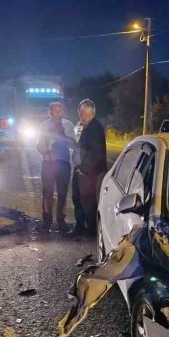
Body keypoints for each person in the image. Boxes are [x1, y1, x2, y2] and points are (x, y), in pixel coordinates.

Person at [36, 101, 75, 232]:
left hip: (63, 163)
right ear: (50, 112)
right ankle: (47, 221)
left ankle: (61, 220)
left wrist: (63, 137)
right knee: (47, 193)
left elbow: (73, 143)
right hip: (48, 163)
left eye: (60, 110)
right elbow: (39, 145)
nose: (58, 113)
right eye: (55, 110)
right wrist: (47, 151)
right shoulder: (44, 126)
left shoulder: (68, 125)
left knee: (62, 193)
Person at [70, 99, 106, 238]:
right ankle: (80, 227)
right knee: (78, 199)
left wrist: (84, 170)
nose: (79, 114)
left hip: (90, 174)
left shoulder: (95, 128)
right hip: (83, 171)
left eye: (80, 111)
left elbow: (96, 154)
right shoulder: (87, 126)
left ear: (84, 111)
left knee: (88, 203)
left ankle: (91, 231)